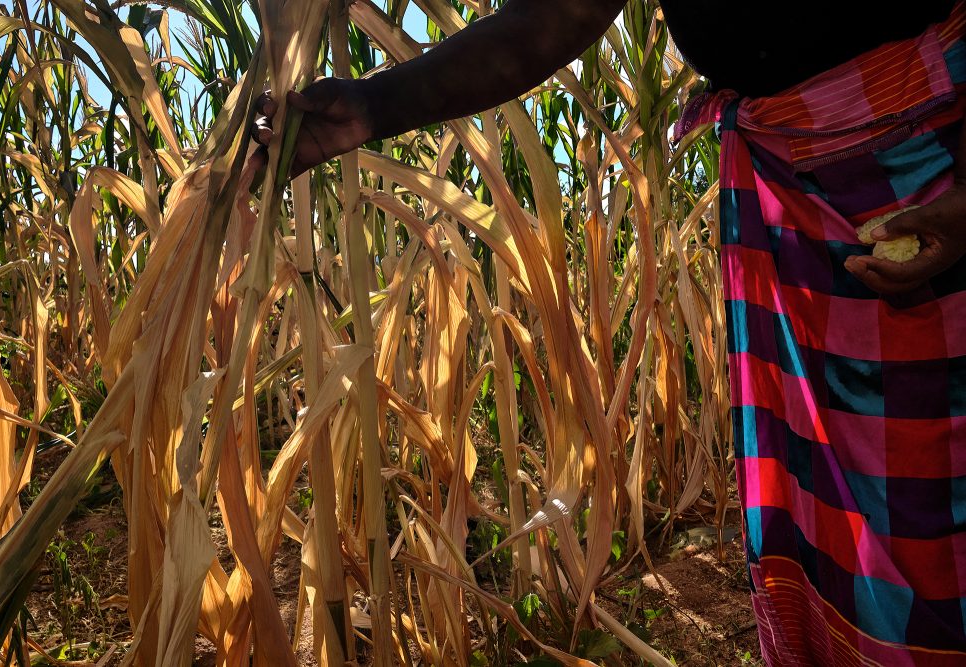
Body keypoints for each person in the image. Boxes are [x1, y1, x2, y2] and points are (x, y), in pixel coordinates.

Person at [255, 1, 966, 663]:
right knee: (844, 532)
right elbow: (560, 13)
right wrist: (373, 106)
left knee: (939, 521)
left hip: (931, 174)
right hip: (800, 207)